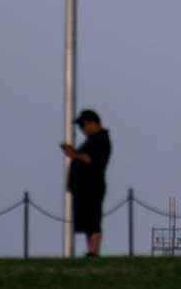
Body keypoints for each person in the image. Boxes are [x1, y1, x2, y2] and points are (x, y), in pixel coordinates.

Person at [61, 109, 111, 257]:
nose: (82, 130)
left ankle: (93, 251)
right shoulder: (92, 140)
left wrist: (73, 154)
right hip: (83, 187)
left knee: (93, 221)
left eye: (83, 126)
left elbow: (90, 159)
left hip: (92, 186)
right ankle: (90, 251)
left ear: (92, 123)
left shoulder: (101, 140)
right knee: (87, 223)